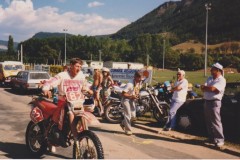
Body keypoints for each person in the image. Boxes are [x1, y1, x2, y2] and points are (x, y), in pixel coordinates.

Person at [42, 58, 92, 150]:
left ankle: (82, 135)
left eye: (80, 67)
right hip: (63, 103)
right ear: (71, 66)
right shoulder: (62, 75)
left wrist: (88, 89)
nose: (79, 68)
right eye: (77, 66)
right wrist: (46, 89)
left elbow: (84, 85)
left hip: (77, 103)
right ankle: (51, 138)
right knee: (57, 120)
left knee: (85, 113)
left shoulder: (81, 75)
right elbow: (51, 82)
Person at [200, 62, 226, 147]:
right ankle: (211, 138)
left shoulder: (222, 80)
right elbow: (204, 88)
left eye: (212, 69)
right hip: (207, 101)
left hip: (215, 102)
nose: (211, 70)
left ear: (218, 70)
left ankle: (220, 139)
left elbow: (214, 89)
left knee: (216, 121)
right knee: (208, 121)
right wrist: (208, 88)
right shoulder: (210, 78)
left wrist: (207, 88)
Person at [120, 71, 142, 135]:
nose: (140, 80)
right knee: (128, 115)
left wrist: (137, 95)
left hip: (132, 100)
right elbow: (123, 94)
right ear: (135, 77)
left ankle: (123, 123)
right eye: (138, 78)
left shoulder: (139, 83)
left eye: (141, 78)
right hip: (125, 100)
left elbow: (137, 90)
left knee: (133, 116)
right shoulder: (130, 84)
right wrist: (131, 96)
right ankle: (128, 130)